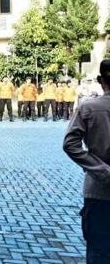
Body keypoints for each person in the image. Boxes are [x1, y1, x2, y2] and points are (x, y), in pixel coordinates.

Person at [63, 59, 110, 263]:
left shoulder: (89, 107)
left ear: (100, 80)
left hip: (99, 190)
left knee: (98, 250)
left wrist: (100, 169)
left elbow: (70, 144)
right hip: (98, 191)